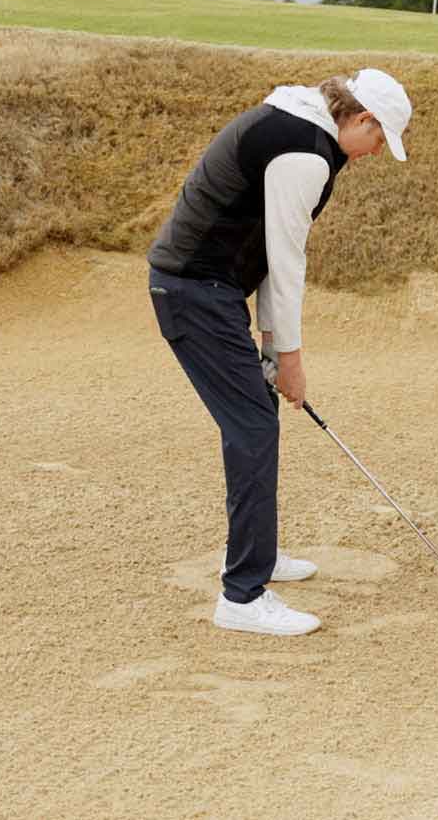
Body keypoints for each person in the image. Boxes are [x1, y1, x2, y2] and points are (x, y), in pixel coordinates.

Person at [147, 69, 411, 636]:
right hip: (194, 292)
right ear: (362, 119)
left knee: (255, 421)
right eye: (378, 140)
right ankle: (241, 595)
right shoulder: (303, 153)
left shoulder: (297, 123)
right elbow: (286, 259)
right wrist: (288, 356)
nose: (372, 154)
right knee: (252, 429)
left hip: (207, 289)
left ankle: (253, 553)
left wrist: (272, 346)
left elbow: (267, 252)